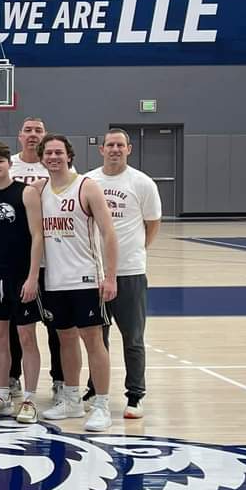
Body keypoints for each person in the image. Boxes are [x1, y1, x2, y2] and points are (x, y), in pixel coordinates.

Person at [37, 134, 119, 432]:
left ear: (69, 155)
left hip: (85, 278)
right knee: (65, 340)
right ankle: (71, 399)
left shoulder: (87, 186)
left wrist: (109, 277)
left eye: (59, 152)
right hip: (54, 280)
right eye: (49, 153)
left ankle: (101, 404)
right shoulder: (40, 189)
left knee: (94, 341)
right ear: (42, 158)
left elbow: (109, 233)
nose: (54, 157)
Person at [85, 128, 162, 419]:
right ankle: (95, 389)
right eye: (110, 145)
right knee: (96, 338)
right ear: (101, 149)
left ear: (129, 149)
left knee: (133, 337)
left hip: (130, 272)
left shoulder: (141, 183)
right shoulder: (89, 180)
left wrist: (136, 252)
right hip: (93, 272)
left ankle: (135, 396)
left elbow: (152, 223)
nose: (115, 149)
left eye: (120, 145)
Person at [0, 142, 45, 423]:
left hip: (21, 276)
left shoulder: (26, 193)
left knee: (27, 338)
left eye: (0, 161)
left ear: (8, 164)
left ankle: (28, 399)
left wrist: (33, 276)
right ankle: (1, 395)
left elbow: (38, 236)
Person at [9, 116, 64, 402]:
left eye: (38, 131)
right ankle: (13, 377)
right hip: (18, 257)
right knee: (16, 325)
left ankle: (60, 379)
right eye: (28, 130)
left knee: (55, 324)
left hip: (52, 260)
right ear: (20, 136)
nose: (33, 135)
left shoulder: (56, 164)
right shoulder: (10, 165)